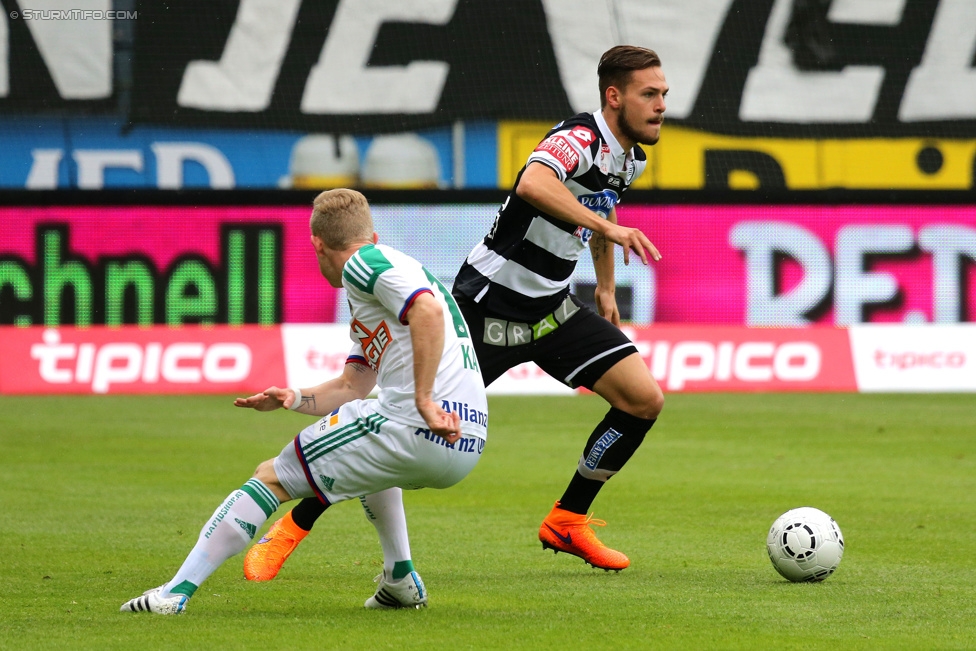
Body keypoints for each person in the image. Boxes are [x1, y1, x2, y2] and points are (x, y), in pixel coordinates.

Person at [244, 44, 667, 577]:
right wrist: (607, 228)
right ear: (614, 95)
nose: (660, 105)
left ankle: (568, 518)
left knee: (642, 401)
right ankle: (294, 524)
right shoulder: (578, 138)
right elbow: (533, 183)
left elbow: (600, 208)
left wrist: (605, 287)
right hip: (484, 309)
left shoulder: (631, 157)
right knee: (398, 425)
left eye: (663, 95)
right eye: (649, 94)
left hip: (551, 310)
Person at [120, 188, 487, 614]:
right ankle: (400, 578)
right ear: (372, 232)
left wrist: (423, 399)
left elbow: (427, 312)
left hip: (418, 424)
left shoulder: (362, 263)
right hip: (466, 440)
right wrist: (291, 397)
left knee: (271, 476)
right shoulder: (385, 284)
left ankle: (173, 594)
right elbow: (352, 386)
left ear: (317, 244)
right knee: (371, 458)